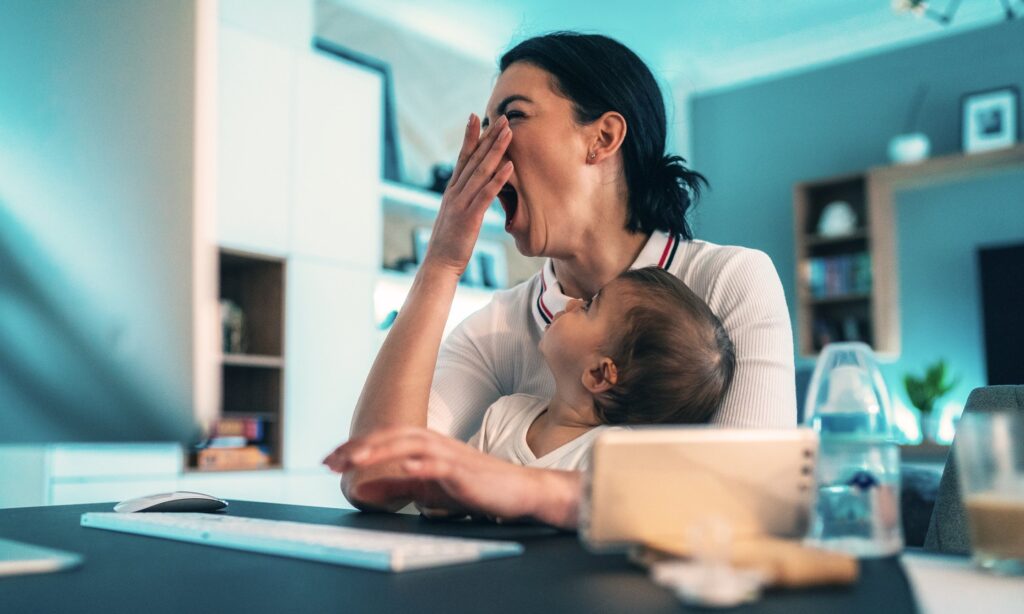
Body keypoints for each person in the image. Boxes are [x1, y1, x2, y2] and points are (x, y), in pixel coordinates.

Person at [323, 32, 795, 528]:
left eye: (514, 116)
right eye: (485, 128)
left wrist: (524, 487)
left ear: (603, 138)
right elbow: (373, 480)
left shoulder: (731, 280)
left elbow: (755, 496)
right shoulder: (498, 327)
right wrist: (441, 263)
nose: (486, 149)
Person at [470, 266, 736, 473]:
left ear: (598, 375)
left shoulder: (615, 458)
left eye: (587, 307)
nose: (572, 303)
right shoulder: (503, 414)